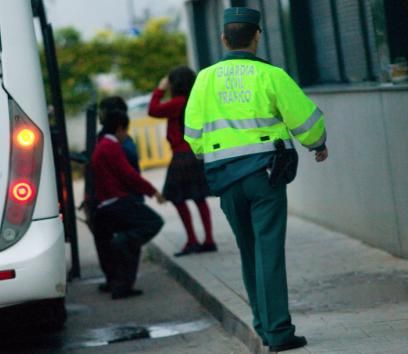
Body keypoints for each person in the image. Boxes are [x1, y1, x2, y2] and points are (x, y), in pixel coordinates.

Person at [184, 7, 328, 352]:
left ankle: (263, 326)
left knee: (249, 251)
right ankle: (278, 332)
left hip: (225, 178)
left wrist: (212, 153)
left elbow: (192, 134)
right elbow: (306, 120)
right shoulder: (271, 75)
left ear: (223, 38)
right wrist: (317, 144)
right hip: (265, 176)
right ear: (257, 36)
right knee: (269, 252)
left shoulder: (204, 79)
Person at [91, 109, 165, 299]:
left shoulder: (100, 145)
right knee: (152, 224)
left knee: (128, 241)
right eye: (125, 131)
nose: (126, 136)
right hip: (118, 201)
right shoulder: (111, 146)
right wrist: (153, 191)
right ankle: (123, 245)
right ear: (120, 128)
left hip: (105, 205)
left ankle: (120, 284)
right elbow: (128, 174)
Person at [148, 66, 216, 257]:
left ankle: (192, 240)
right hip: (196, 154)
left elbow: (153, 110)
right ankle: (209, 240)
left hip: (180, 155)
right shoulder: (197, 100)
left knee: (177, 198)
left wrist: (160, 89)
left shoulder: (176, 103)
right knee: (199, 197)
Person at [86, 96, 142, 293]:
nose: (99, 115)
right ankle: (118, 281)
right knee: (110, 242)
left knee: (119, 242)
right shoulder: (115, 140)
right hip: (116, 199)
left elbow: (127, 173)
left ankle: (120, 282)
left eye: (102, 110)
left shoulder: (114, 142)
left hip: (119, 199)